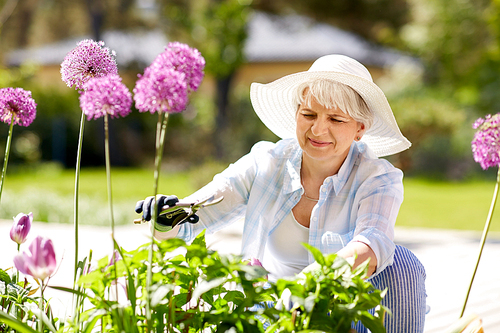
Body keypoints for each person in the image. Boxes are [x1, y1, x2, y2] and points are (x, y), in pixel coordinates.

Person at [135, 54, 427, 332]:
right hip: (273, 313)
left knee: (402, 264)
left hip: (343, 314)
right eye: (309, 114)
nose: (318, 129)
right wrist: (168, 215)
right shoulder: (267, 162)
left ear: (360, 128)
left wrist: (311, 283)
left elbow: (373, 242)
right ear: (296, 115)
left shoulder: (377, 177)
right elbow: (203, 210)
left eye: (336, 119)